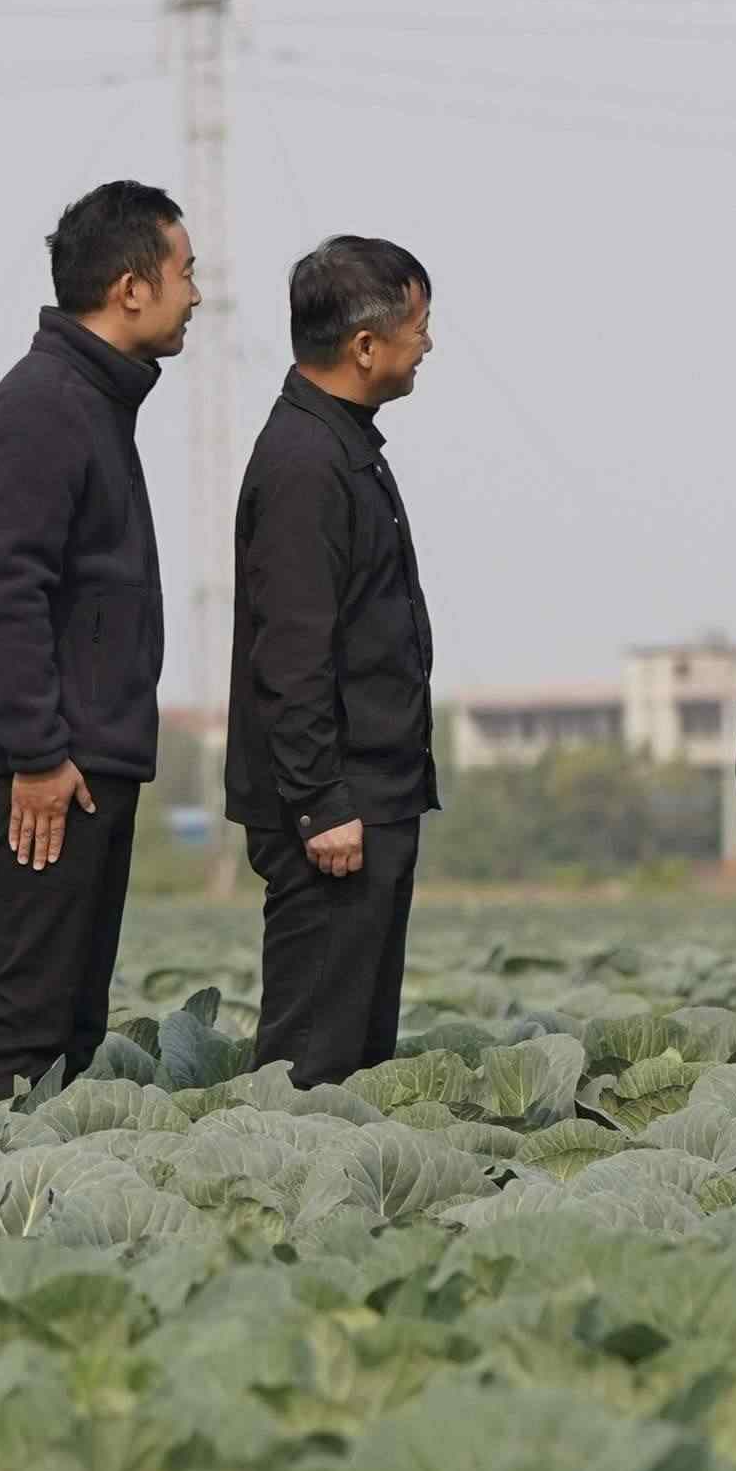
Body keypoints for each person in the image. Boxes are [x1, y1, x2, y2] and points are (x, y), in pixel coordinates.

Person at [0, 180, 196, 1099]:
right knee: (24, 1037)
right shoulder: (42, 407)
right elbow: (2, 592)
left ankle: (30, 1192)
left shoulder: (91, 402)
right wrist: (38, 753)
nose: (197, 296)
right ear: (131, 288)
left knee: (70, 1039)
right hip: (46, 775)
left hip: (81, 763)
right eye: (186, 272)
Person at [225, 237, 441, 1088]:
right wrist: (320, 803)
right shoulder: (306, 464)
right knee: (311, 1063)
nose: (427, 344)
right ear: (364, 345)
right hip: (334, 812)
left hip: (370, 797)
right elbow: (292, 652)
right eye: (418, 327)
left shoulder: (341, 444)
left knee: (355, 1054)